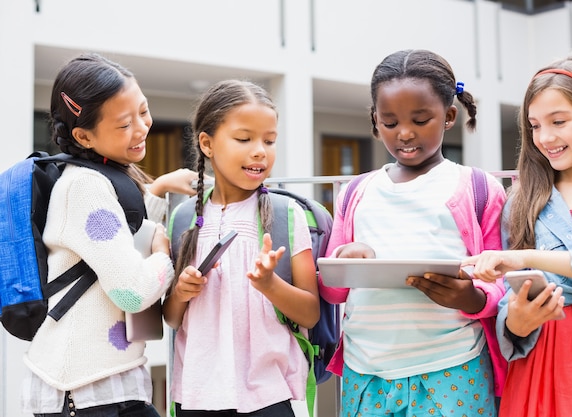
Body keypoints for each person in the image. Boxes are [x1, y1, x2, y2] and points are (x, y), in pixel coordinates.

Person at [318, 49, 507, 417]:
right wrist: (346, 261)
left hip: (453, 367)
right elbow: (333, 289)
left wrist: (471, 297)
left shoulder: (478, 187)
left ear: (449, 115)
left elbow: (502, 280)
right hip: (366, 372)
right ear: (375, 121)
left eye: (421, 120)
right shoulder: (356, 192)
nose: (404, 133)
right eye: (389, 123)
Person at [21, 52, 200, 417]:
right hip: (86, 389)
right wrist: (164, 255)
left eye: (143, 111)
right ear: (84, 135)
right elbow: (131, 292)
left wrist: (159, 188)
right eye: (123, 125)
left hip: (101, 380)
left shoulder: (97, 176)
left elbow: (120, 234)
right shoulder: (85, 187)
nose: (141, 128)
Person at [463, 53, 572, 416]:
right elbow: (509, 302)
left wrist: (527, 258)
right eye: (535, 125)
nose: (545, 137)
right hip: (545, 364)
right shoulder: (521, 202)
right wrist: (518, 320)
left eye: (559, 121)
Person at [162, 79, 320, 417]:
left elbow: (309, 313)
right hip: (196, 393)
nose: (260, 150)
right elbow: (172, 317)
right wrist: (181, 292)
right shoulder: (183, 217)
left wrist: (269, 285)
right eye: (244, 139)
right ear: (207, 143)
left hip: (272, 394)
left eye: (270, 140)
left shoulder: (286, 215)